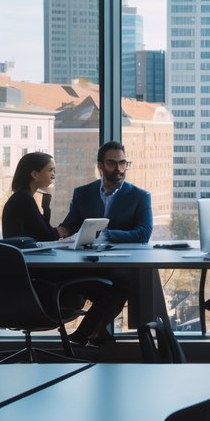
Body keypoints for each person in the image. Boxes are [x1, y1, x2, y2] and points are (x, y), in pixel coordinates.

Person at [55, 141, 150, 346]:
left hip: (118, 263)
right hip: (86, 262)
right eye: (112, 163)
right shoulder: (83, 193)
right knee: (115, 290)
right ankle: (95, 334)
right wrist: (54, 234)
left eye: (123, 163)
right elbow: (70, 225)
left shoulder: (140, 196)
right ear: (100, 165)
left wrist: (105, 235)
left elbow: (143, 234)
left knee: (122, 282)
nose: (119, 169)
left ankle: (83, 336)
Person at [1, 151, 60, 242]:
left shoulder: (22, 196)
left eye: (54, 171)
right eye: (50, 170)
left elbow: (44, 232)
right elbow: (47, 237)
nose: (53, 175)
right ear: (34, 175)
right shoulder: (24, 199)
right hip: (24, 254)